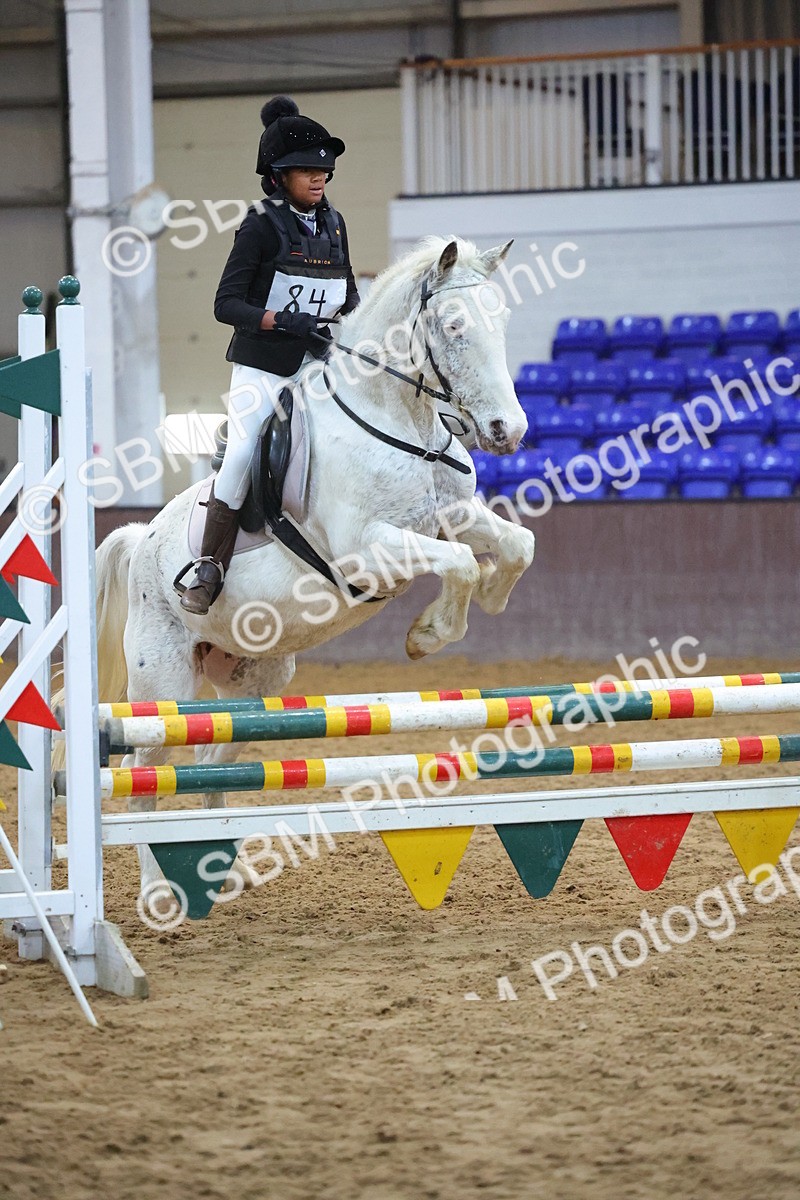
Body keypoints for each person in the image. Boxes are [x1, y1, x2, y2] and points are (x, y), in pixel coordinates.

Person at [177, 95, 360, 615]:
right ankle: (209, 565)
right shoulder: (259, 224)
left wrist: (349, 318)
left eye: (323, 166)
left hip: (319, 365)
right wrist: (282, 320)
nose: (319, 176)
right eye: (306, 169)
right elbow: (226, 304)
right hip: (264, 367)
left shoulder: (336, 224)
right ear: (279, 176)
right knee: (239, 454)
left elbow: (346, 290)